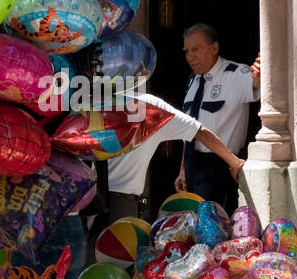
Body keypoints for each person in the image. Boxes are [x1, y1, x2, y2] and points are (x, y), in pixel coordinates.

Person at [104, 89, 246, 222]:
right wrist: (235, 163)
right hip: (121, 205)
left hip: (91, 199)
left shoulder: (88, 102)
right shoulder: (149, 106)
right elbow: (200, 131)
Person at [177, 24, 260, 211]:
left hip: (220, 167)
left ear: (214, 48)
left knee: (215, 228)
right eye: (187, 51)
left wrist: (261, 71)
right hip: (192, 166)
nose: (190, 56)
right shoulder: (193, 80)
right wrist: (183, 169)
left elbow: (256, 81)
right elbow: (188, 127)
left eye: (195, 49)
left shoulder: (235, 74)